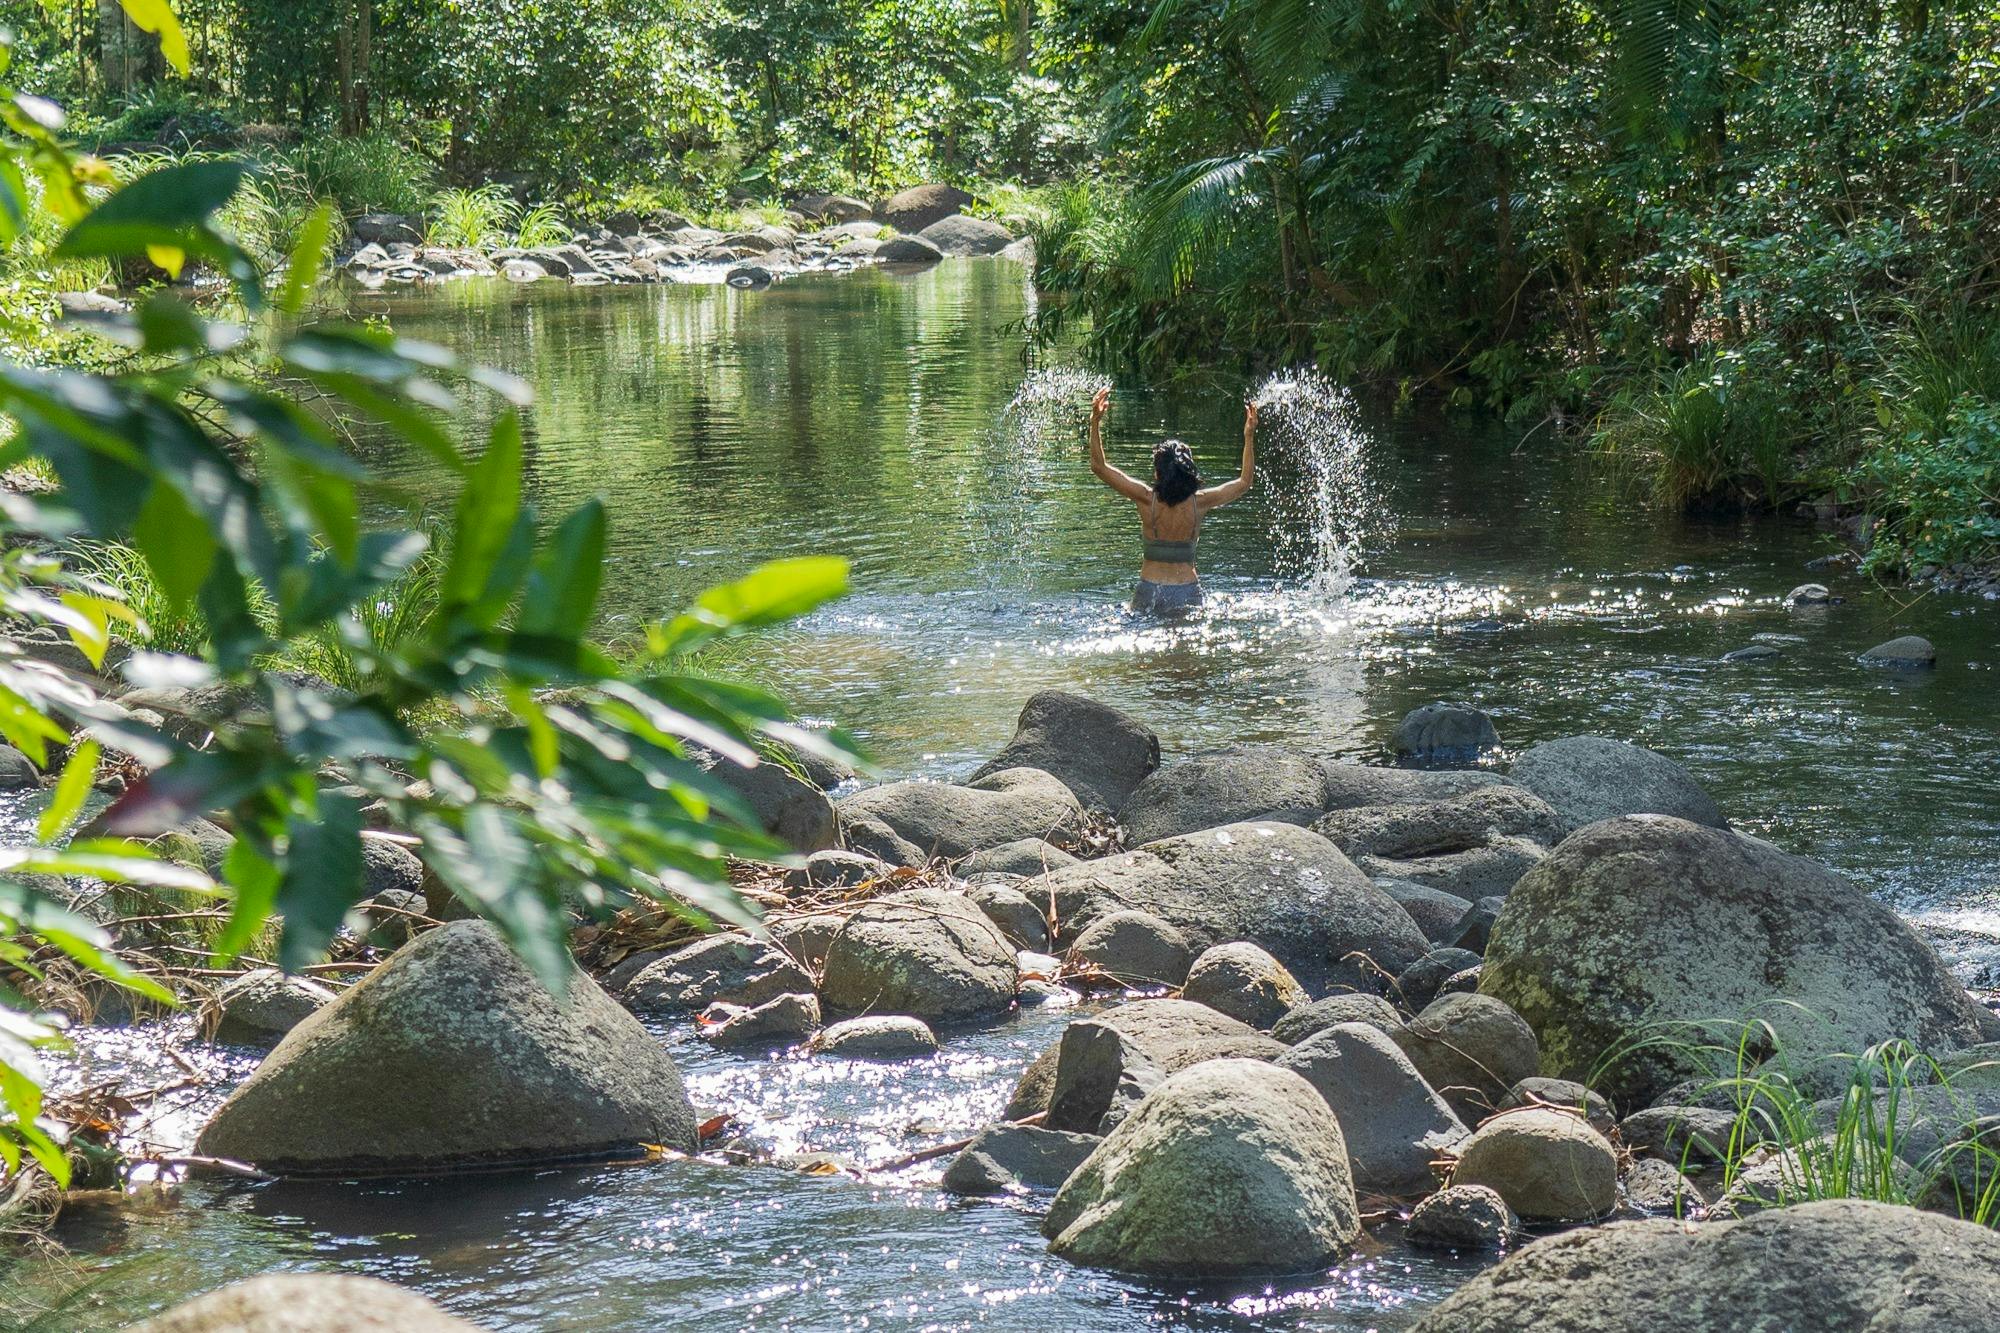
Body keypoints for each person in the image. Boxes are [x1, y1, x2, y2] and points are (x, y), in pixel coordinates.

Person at [1087, 386, 1257, 615]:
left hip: (1149, 589)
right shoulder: (1201, 502)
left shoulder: (1145, 499)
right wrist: (1249, 435)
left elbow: (1099, 467)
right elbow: (1244, 482)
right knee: (1185, 649)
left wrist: (1095, 421)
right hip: (1187, 590)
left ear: (1158, 473)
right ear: (1188, 472)